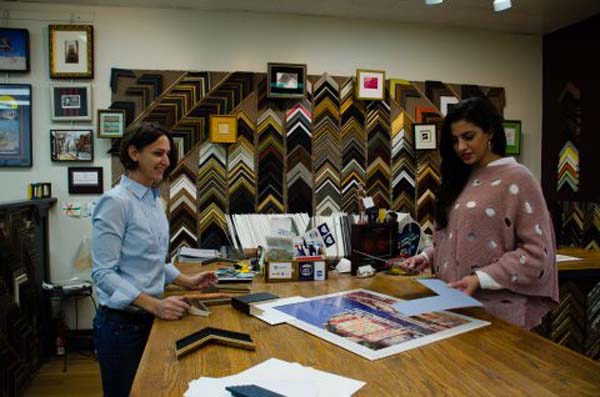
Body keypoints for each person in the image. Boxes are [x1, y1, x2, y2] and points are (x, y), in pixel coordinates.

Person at [400, 97, 558, 329]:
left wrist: (480, 279)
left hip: (496, 314)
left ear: (490, 132)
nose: (461, 147)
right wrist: (426, 257)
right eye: (455, 140)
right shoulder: (460, 178)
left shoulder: (517, 178)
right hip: (453, 309)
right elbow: (461, 239)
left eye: (469, 137)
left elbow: (537, 254)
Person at [91, 123, 217, 397]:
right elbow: (103, 274)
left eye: (168, 154)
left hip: (150, 319)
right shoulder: (115, 202)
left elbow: (152, 259)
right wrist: (155, 305)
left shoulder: (153, 200)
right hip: (121, 327)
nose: (166, 161)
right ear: (134, 153)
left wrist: (187, 281)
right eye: (158, 153)